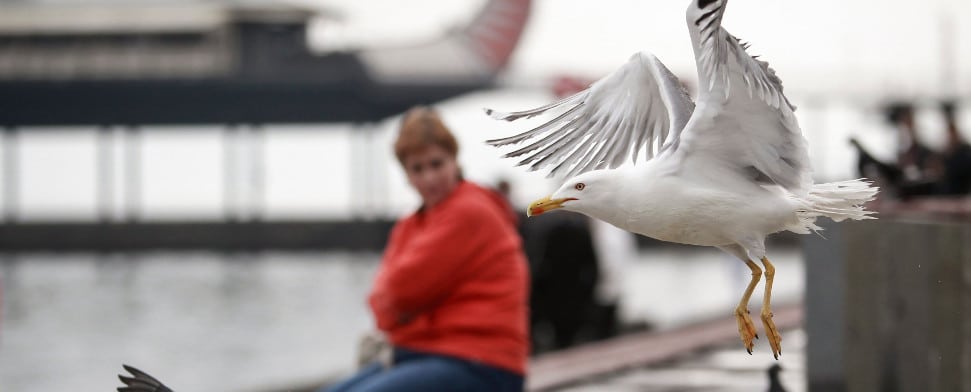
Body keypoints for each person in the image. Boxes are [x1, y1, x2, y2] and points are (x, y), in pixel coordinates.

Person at [325, 107, 529, 392]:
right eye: (417, 169)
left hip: (481, 364)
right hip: (424, 352)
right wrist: (398, 305)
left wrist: (402, 309)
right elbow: (380, 303)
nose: (429, 178)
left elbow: (398, 291)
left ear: (455, 160)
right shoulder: (412, 222)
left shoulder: (469, 211)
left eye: (437, 164)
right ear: (406, 174)